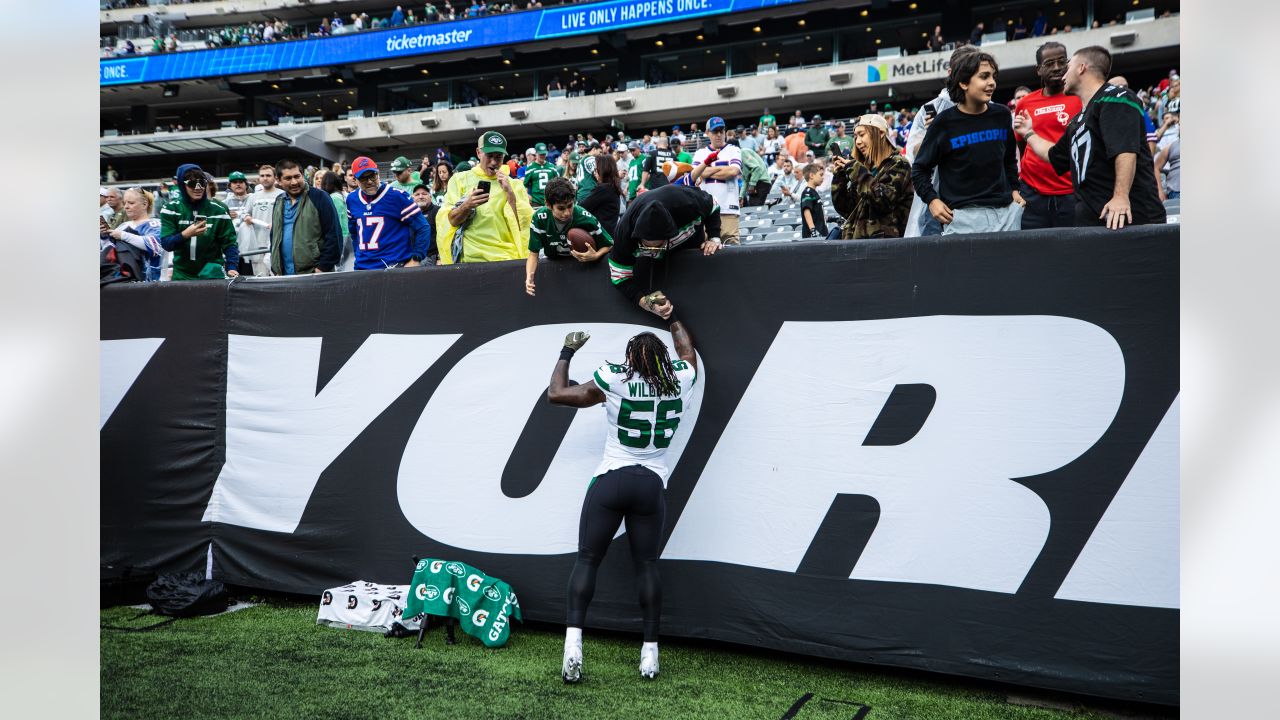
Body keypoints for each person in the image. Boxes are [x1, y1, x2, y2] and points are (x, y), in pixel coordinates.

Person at [547, 316, 699, 683]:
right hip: (650, 483)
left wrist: (567, 351)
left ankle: (573, 646)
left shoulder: (615, 377)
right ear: (663, 359)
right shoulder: (681, 377)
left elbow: (557, 393)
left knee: (587, 559)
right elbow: (687, 352)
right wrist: (672, 315)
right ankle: (650, 654)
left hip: (612, 479)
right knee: (646, 566)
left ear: (631, 358)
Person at [1015, 46, 1166, 228]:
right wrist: (1029, 133)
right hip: (1096, 219)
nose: (1062, 72)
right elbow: (1053, 155)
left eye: (1067, 65)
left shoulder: (1115, 97)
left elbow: (1125, 150)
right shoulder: (1078, 120)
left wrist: (1120, 196)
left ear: (1081, 68)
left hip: (1130, 217)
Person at [911, 50, 1025, 235]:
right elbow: (919, 170)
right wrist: (932, 200)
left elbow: (1008, 160)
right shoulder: (943, 122)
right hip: (961, 220)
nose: (992, 83)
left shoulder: (1002, 114)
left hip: (1006, 216)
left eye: (993, 76)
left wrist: (1014, 190)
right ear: (963, 83)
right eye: (984, 76)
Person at [607, 184, 721, 318]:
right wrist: (646, 303)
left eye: (658, 245)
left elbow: (713, 203)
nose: (654, 251)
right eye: (648, 247)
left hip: (690, 243)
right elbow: (619, 278)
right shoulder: (624, 233)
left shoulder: (685, 203)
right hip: (655, 266)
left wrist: (714, 237)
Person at [1014, 42, 1083, 229]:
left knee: (1071, 252)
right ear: (1039, 70)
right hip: (1032, 194)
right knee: (1034, 252)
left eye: (1062, 61)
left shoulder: (1081, 97)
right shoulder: (1025, 103)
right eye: (1049, 63)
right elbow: (1022, 144)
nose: (1057, 68)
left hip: (1071, 193)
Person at [435, 131, 533, 264]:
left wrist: (510, 194)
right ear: (478, 153)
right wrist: (467, 205)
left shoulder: (514, 185)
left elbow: (524, 228)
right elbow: (449, 221)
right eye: (489, 156)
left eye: (498, 157)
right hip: (470, 259)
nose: (493, 162)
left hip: (505, 258)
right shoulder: (459, 180)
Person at [830, 114, 914, 239]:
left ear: (880, 133)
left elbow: (883, 201)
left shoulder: (899, 163)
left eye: (862, 134)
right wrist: (840, 177)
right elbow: (847, 209)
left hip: (886, 248)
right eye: (855, 136)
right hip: (859, 245)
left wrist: (857, 171)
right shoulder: (866, 169)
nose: (857, 142)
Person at [524, 177, 613, 296]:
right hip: (554, 266)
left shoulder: (585, 217)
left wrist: (596, 255)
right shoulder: (539, 218)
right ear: (548, 205)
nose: (566, 212)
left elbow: (609, 244)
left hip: (582, 268)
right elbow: (533, 254)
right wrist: (529, 276)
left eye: (570, 206)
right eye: (561, 208)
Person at [346, 155, 433, 269]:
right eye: (363, 178)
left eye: (372, 176)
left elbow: (423, 227)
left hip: (393, 266)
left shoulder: (397, 196)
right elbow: (355, 233)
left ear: (378, 173)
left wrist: (416, 258)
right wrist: (358, 256)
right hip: (363, 267)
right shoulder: (352, 199)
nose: (370, 181)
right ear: (355, 180)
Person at [158, 163, 240, 281]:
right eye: (192, 183)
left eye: (202, 183)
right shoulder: (171, 209)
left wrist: (232, 266)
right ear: (182, 185)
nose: (198, 188)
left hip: (212, 274)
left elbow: (230, 243)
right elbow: (166, 244)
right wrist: (186, 234)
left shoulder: (219, 210)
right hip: (182, 276)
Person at [268, 160, 341, 275]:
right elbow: (274, 235)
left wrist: (322, 268)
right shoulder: (279, 201)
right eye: (288, 178)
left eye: (297, 176)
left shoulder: (319, 197)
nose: (294, 182)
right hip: (284, 275)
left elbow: (333, 235)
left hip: (314, 275)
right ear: (279, 180)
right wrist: (275, 267)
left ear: (303, 175)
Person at [689, 116, 742, 244]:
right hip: (707, 211)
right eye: (715, 131)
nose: (719, 135)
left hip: (728, 209)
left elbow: (733, 171)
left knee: (731, 250)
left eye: (721, 131)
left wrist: (706, 170)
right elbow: (694, 175)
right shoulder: (700, 153)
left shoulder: (733, 150)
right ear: (707, 133)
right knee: (706, 252)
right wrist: (722, 170)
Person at [105, 187, 165, 281]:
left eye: (131, 203)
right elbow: (108, 252)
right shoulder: (123, 226)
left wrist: (123, 236)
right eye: (125, 203)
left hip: (151, 282)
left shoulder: (155, 224)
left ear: (144, 204)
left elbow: (155, 246)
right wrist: (104, 236)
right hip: (125, 281)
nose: (126, 207)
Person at [241, 164, 282, 276]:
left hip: (275, 243)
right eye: (262, 175)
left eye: (268, 175)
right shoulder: (253, 196)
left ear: (275, 177)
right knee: (260, 277)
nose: (265, 178)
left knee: (277, 277)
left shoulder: (282, 195)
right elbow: (244, 213)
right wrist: (247, 218)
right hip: (257, 244)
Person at [580, 154, 626, 237]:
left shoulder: (604, 189)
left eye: (595, 169)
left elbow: (582, 208)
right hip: (610, 234)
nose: (594, 173)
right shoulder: (612, 186)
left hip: (603, 238)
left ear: (603, 170)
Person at [222, 171, 254, 274]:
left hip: (251, 248)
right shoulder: (224, 203)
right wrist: (227, 217)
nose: (238, 184)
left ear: (246, 184)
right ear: (230, 185)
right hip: (232, 248)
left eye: (241, 181)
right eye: (235, 182)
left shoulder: (254, 198)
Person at [321, 170, 353, 271]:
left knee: (340, 268)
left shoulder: (334, 198)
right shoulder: (341, 196)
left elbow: (336, 220)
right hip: (347, 235)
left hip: (341, 236)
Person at [410, 183, 442, 264]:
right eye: (417, 194)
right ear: (412, 198)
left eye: (424, 194)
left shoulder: (439, 211)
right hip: (412, 258)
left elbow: (444, 236)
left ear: (430, 197)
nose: (421, 196)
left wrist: (440, 257)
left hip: (432, 257)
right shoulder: (408, 214)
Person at [523, 143, 560, 207]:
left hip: (551, 200)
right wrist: (527, 196)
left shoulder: (552, 167)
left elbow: (559, 183)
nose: (542, 156)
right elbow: (525, 185)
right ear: (536, 154)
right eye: (540, 154)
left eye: (544, 154)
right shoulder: (530, 168)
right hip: (536, 201)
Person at [798, 164, 829, 239]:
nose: (823, 178)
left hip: (822, 233)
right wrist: (813, 230)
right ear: (811, 175)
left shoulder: (814, 192)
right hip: (813, 237)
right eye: (820, 175)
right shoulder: (807, 192)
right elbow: (807, 210)